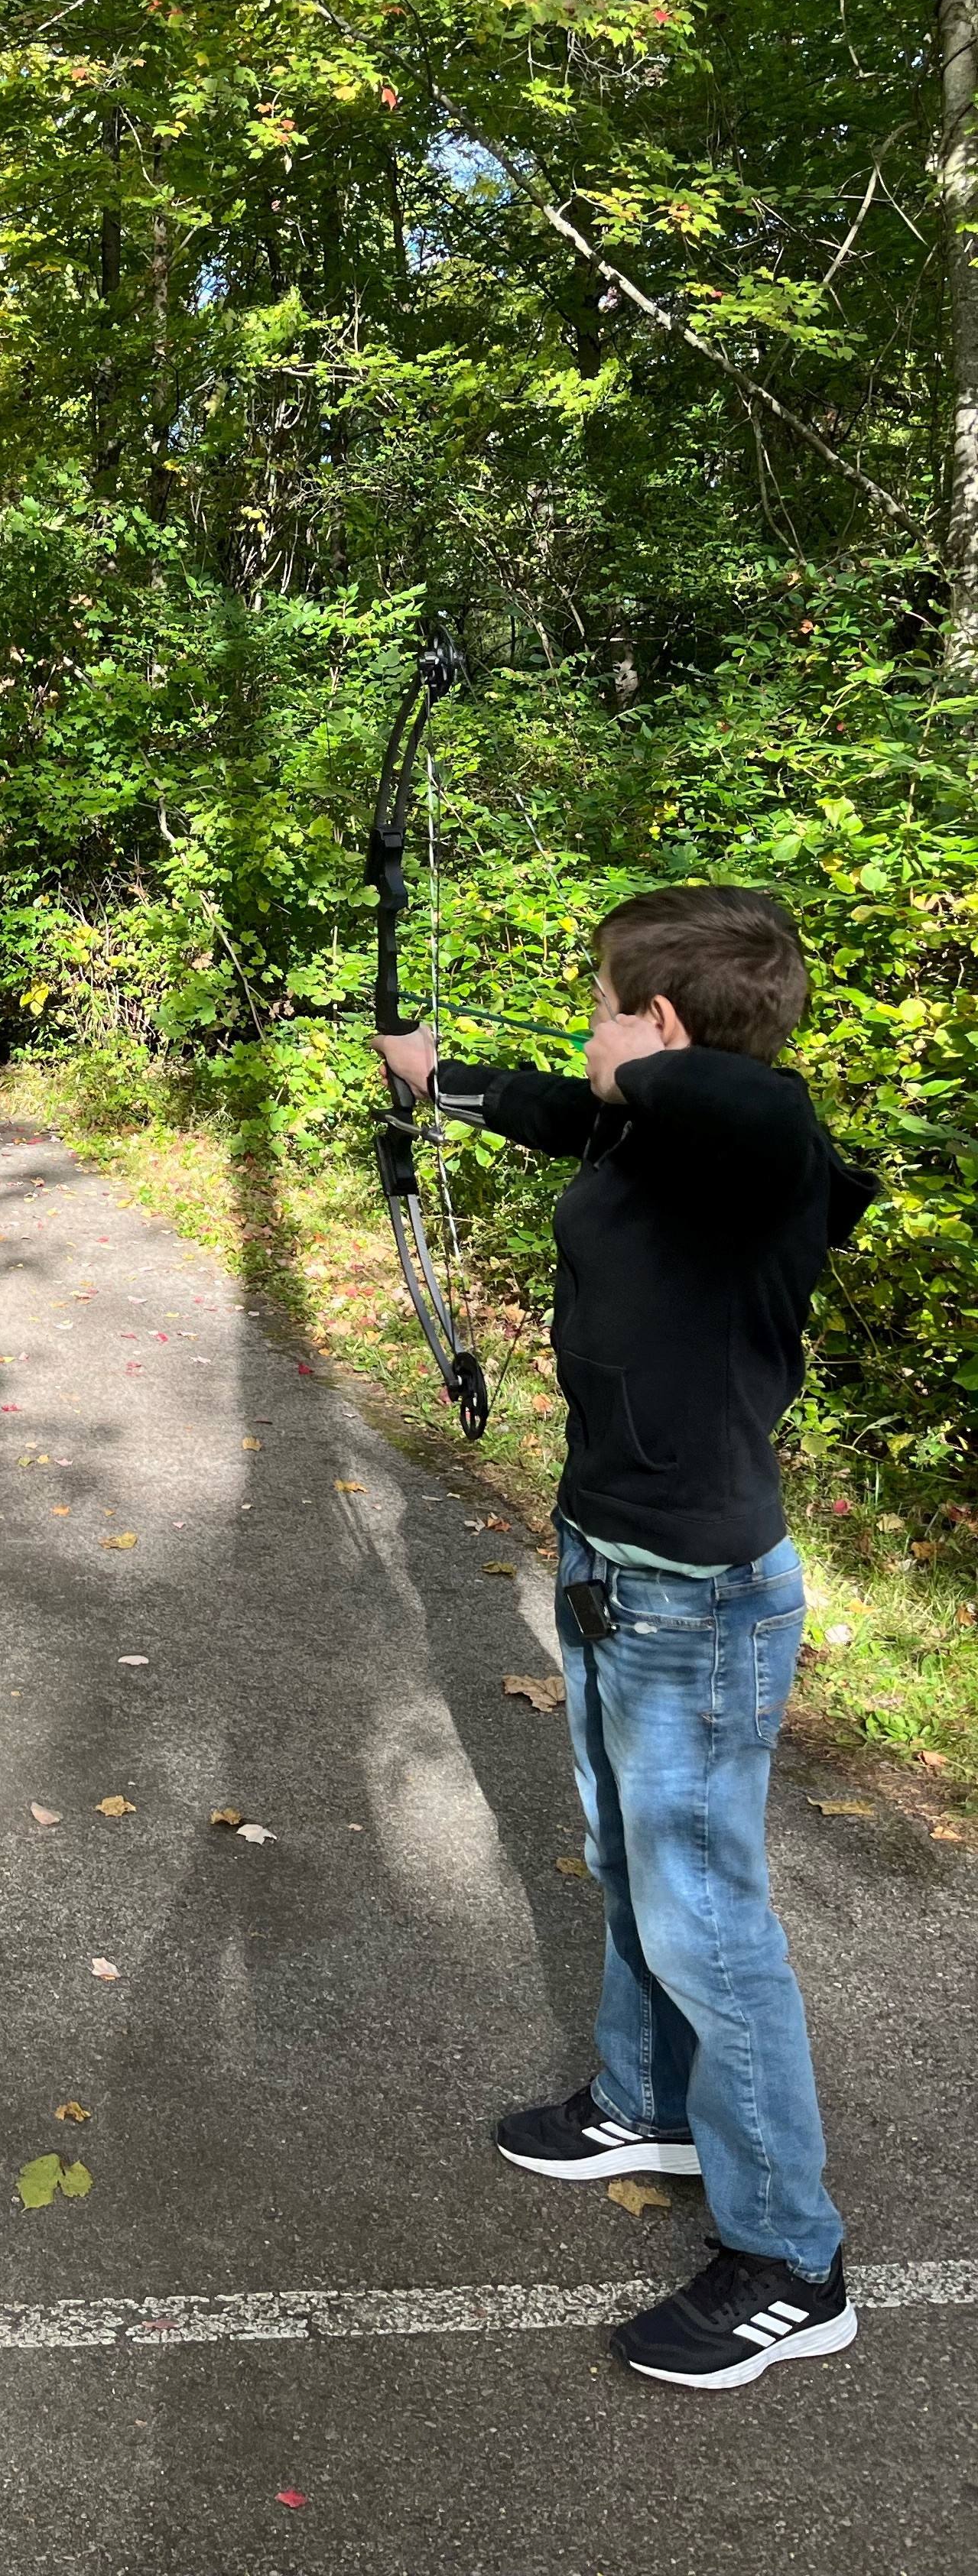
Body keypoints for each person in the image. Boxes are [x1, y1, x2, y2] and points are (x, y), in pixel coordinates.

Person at [372, 883, 877, 2392]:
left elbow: (749, 1115)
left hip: (700, 1599)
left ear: (661, 1025)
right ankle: (645, 2100)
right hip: (614, 1556)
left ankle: (795, 2256)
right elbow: (563, 1113)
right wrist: (443, 1077)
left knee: (709, 1914)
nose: (588, 1034)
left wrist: (637, 1061)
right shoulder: (661, 1133)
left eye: (607, 1005)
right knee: (624, 1856)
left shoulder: (758, 1147)